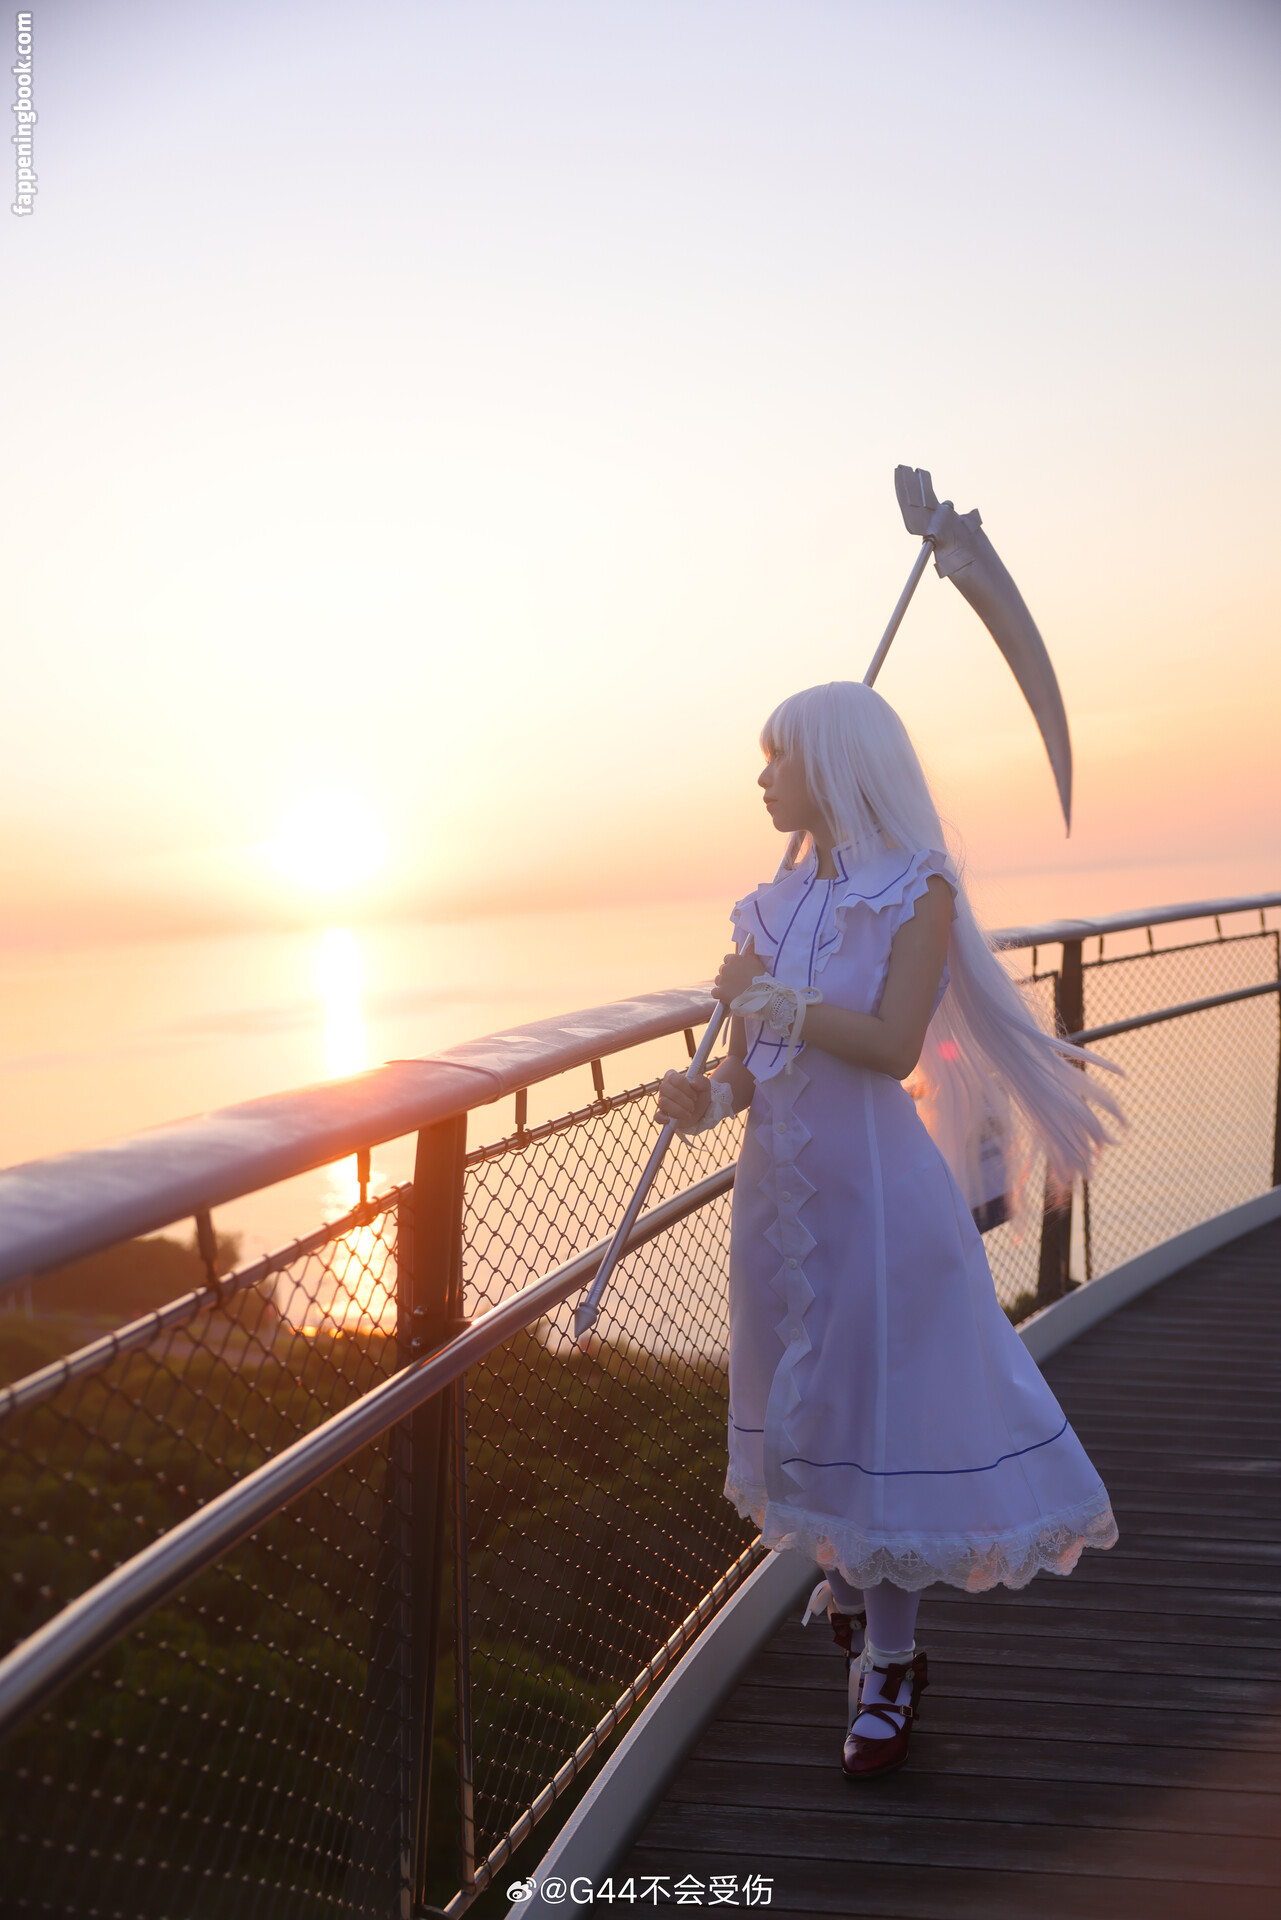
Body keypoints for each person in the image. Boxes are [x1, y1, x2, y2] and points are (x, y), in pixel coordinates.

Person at [656, 680, 1122, 1780]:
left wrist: (771, 999)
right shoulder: (767, 906)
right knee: (807, 1404)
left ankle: (891, 1664)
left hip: (877, 1202)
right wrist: (706, 1098)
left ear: (834, 764)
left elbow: (892, 1045)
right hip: (780, 1204)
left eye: (780, 757)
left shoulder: (919, 890)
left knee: (881, 1418)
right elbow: (758, 1072)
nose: (763, 777)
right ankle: (858, 1597)